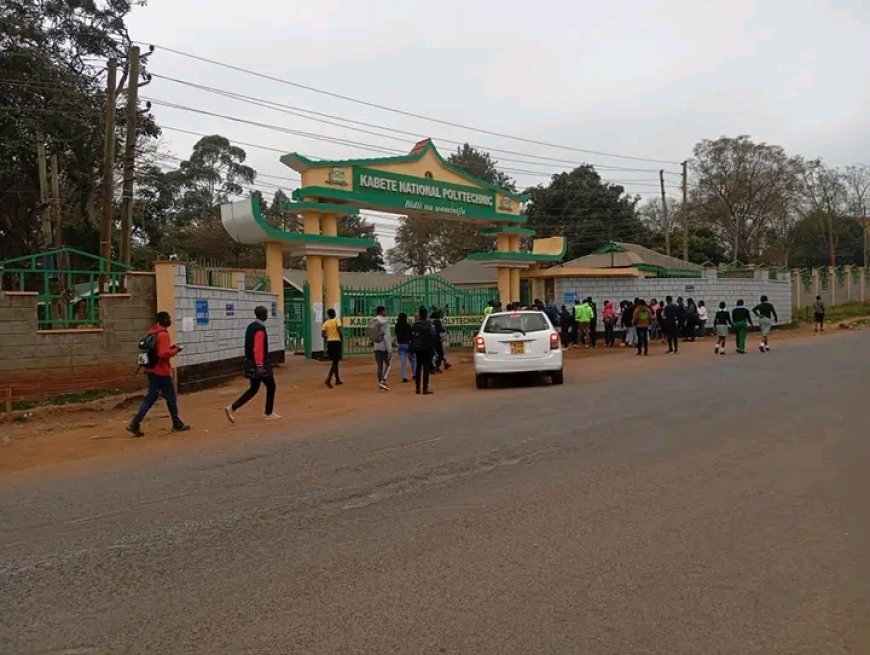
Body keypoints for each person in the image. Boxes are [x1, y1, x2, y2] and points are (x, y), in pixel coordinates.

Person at [128, 311, 190, 437]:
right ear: (164, 320)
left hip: (151, 371)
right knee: (171, 398)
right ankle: (177, 424)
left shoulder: (152, 332)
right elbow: (162, 354)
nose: (170, 320)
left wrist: (169, 349)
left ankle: (135, 423)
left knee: (151, 398)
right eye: (168, 318)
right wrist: (175, 351)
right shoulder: (163, 335)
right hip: (161, 371)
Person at [225, 305, 280, 423]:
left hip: (251, 362)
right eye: (265, 313)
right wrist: (260, 365)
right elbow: (258, 348)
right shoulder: (259, 328)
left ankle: (232, 408)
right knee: (271, 386)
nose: (267, 315)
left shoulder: (250, 327)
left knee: (254, 388)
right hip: (260, 363)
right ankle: (268, 413)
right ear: (261, 315)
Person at [410, 306, 436, 395]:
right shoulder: (429, 325)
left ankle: (417, 388)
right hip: (427, 349)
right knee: (426, 369)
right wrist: (432, 348)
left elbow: (411, 337)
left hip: (417, 349)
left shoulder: (414, 325)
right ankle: (425, 389)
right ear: (426, 315)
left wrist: (412, 349)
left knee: (418, 367)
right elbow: (433, 337)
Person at [372, 305, 392, 390]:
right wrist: (389, 349)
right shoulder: (385, 322)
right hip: (384, 347)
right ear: (382, 312)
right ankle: (382, 381)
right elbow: (387, 336)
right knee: (388, 364)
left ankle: (380, 382)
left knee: (380, 366)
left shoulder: (373, 321)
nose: (386, 312)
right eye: (385, 311)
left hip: (376, 346)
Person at [322, 308, 343, 388]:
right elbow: (339, 330)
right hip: (336, 342)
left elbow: (322, 334)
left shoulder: (326, 323)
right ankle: (328, 379)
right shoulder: (336, 321)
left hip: (329, 342)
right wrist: (341, 338)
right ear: (334, 314)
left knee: (335, 361)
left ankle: (337, 379)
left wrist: (327, 337)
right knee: (335, 361)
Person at [395, 312, 415, 383]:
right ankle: (414, 374)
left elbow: (396, 335)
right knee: (413, 359)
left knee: (403, 362)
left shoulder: (397, 325)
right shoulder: (408, 325)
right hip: (408, 344)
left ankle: (404, 377)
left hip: (401, 344)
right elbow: (411, 336)